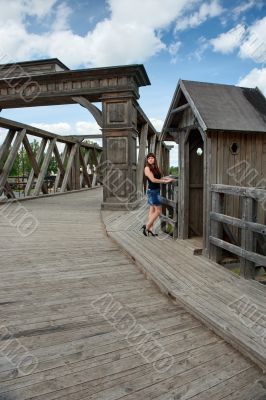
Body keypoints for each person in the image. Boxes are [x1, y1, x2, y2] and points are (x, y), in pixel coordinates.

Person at [141, 153, 174, 236]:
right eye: (149, 158)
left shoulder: (155, 167)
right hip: (152, 192)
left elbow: (159, 178)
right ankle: (147, 226)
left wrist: (168, 178)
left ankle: (150, 229)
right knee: (158, 211)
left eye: (152, 158)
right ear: (147, 160)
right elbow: (153, 180)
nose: (151, 159)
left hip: (156, 190)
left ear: (154, 159)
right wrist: (164, 181)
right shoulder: (147, 168)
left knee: (152, 210)